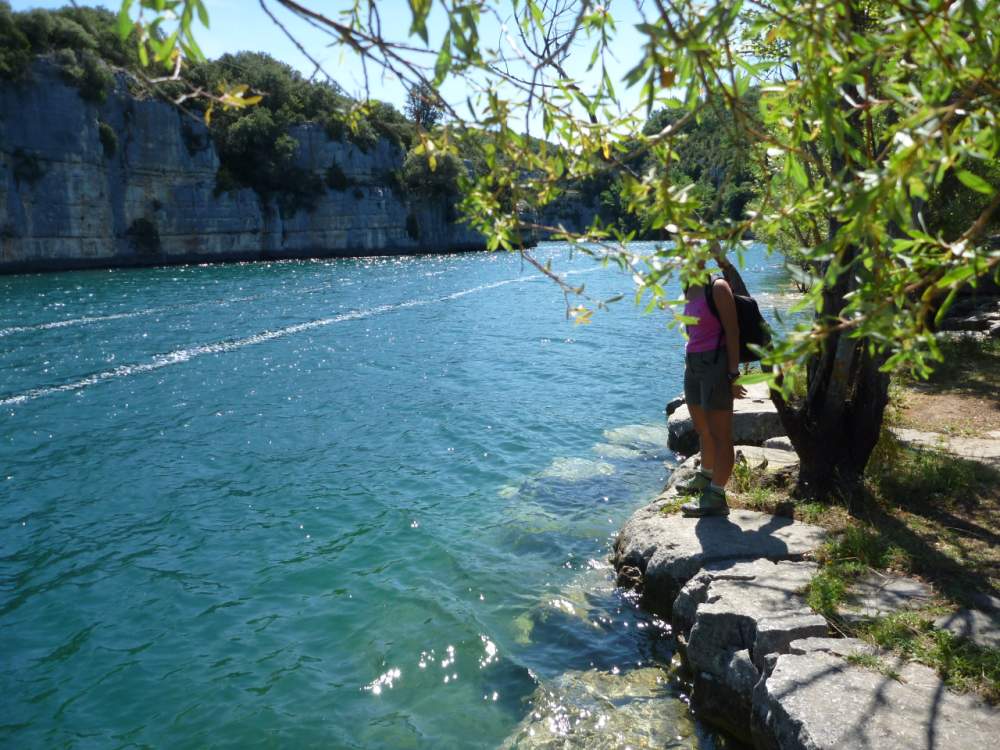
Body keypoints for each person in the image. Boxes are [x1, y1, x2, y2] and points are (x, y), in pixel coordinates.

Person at [677, 271, 746, 517]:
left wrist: (733, 374)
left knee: (721, 434)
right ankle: (706, 476)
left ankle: (716, 495)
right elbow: (691, 328)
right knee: (702, 428)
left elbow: (733, 332)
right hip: (693, 364)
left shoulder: (718, 287)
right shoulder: (688, 284)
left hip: (715, 364)